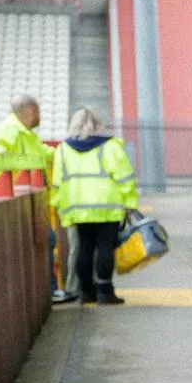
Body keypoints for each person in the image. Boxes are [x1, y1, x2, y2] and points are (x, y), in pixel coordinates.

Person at [0, 95, 73, 302]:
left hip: (22, 203)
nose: (40, 116)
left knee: (44, 240)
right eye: (38, 111)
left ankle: (47, 292)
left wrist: (69, 152)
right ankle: (47, 293)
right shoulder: (9, 131)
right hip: (8, 203)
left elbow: (43, 154)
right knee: (43, 241)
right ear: (30, 111)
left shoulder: (26, 134)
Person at [49, 107, 138, 305]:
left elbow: (57, 182)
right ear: (98, 124)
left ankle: (86, 292)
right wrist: (130, 203)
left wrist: (58, 206)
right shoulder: (111, 146)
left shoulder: (64, 149)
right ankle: (105, 293)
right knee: (105, 246)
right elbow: (125, 178)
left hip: (77, 207)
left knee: (84, 248)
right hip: (107, 206)